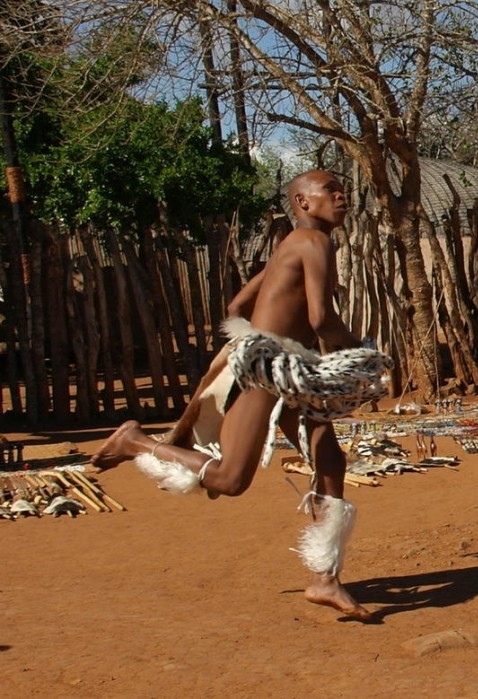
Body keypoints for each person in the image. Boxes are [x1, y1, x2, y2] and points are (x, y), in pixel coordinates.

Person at [91, 169, 391, 622]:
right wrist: (365, 361)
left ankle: (324, 579)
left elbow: (236, 308)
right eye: (329, 190)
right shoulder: (314, 243)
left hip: (287, 369)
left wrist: (278, 349)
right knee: (231, 480)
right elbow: (320, 317)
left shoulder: (291, 246)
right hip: (268, 370)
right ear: (302, 203)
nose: (341, 195)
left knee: (329, 459)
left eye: (341, 189)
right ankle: (136, 442)